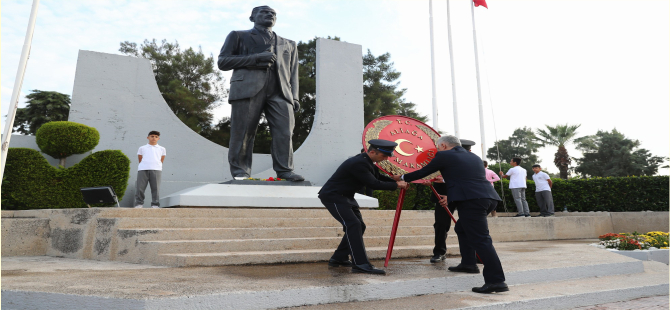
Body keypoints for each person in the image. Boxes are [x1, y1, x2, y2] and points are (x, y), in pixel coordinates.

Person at [393, 135, 508, 293]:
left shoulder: (444, 155)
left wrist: (402, 177)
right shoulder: (473, 157)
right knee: (461, 228)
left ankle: (496, 281)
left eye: (438, 147)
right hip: (488, 198)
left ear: (444, 146)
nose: (437, 150)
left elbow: (424, 172)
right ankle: (468, 263)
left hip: (472, 200)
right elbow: (464, 178)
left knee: (481, 239)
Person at [218, 5, 304, 182]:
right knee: (243, 132)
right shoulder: (238, 36)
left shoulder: (289, 44)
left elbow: (293, 72)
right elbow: (223, 61)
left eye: (273, 13)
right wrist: (256, 58)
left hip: (281, 92)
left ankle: (285, 170)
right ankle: (240, 171)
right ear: (252, 17)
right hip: (247, 90)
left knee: (285, 132)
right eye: (264, 12)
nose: (270, 14)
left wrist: (294, 96)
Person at [319, 139, 409, 275]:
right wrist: (396, 185)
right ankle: (360, 264)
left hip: (346, 197)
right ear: (372, 152)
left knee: (359, 225)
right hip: (334, 196)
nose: (385, 159)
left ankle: (339, 258)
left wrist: (395, 179)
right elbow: (374, 183)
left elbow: (378, 176)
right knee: (353, 224)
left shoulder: (368, 161)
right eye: (383, 156)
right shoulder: (359, 163)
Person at [427, 138, 474, 263]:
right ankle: (439, 252)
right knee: (441, 225)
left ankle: (473, 254)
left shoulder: (471, 160)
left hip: (465, 196)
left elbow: (468, 180)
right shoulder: (442, 156)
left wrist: (445, 180)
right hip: (442, 195)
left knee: (470, 225)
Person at [134, 131, 166, 208]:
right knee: (140, 187)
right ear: (148, 137)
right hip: (143, 169)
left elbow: (161, 160)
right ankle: (139, 203)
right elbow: (140, 159)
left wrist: (156, 165)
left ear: (158, 138)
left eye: (156, 136)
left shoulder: (162, 149)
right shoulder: (142, 148)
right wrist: (145, 165)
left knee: (156, 188)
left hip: (156, 169)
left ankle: (155, 204)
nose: (154, 138)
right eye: (152, 136)